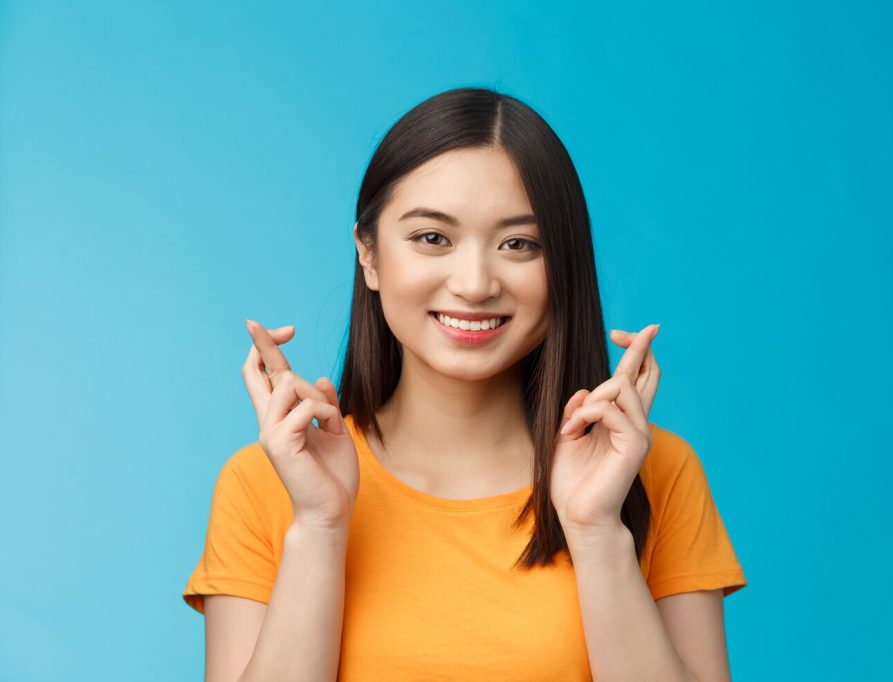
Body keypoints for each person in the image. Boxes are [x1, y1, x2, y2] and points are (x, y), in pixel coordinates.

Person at [183, 87, 747, 681]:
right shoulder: (266, 483)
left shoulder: (656, 473)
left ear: (563, 268)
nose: (475, 283)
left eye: (519, 244)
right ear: (369, 255)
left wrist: (597, 531)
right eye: (433, 238)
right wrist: (319, 528)